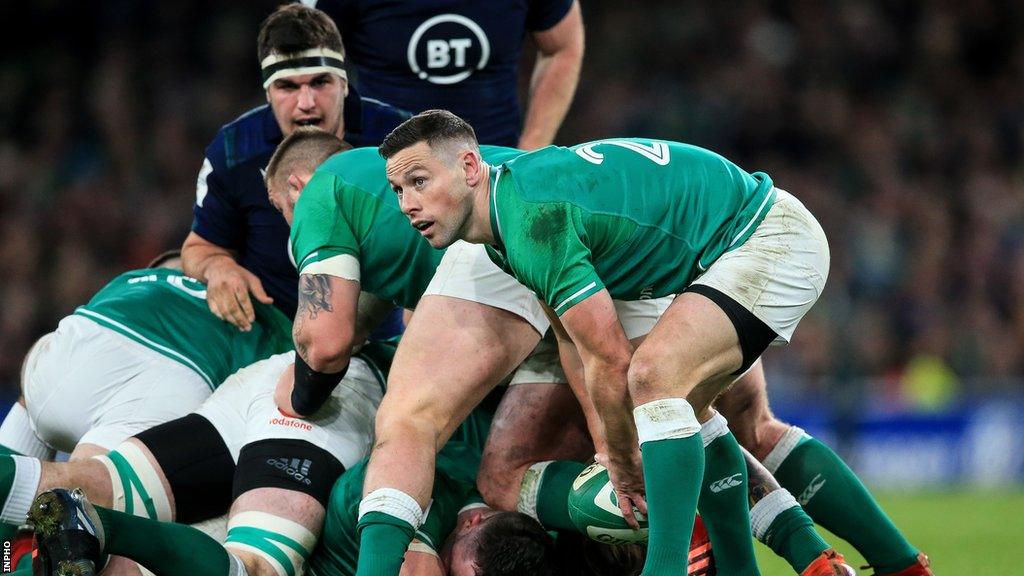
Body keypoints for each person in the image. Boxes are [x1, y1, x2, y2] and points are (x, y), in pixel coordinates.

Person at [375, 110, 931, 576]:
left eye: (420, 182)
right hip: (732, 247)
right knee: (690, 411)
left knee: (654, 379)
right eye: (398, 190)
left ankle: (665, 568)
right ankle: (891, 563)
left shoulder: (530, 219)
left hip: (765, 240)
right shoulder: (509, 221)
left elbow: (610, 359)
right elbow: (574, 342)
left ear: (470, 166)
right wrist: (610, 452)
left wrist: (618, 457)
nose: (407, 204)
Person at [5, 341, 391, 576]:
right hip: (321, 392)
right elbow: (331, 338)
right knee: (255, 570)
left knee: (103, 491)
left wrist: (7, 555)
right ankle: (98, 525)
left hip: (255, 380)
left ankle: (86, 527)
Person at [181, 4, 410, 330]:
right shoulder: (234, 152)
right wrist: (218, 268)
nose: (306, 103)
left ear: (345, 83)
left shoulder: (399, 141)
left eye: (320, 82)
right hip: (268, 335)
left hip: (379, 342)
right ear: (268, 93)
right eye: (288, 86)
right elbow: (200, 248)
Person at [10, 251, 292, 462]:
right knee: (90, 489)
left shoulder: (129, 281)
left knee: (38, 384)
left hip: (72, 362)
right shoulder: (271, 320)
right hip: (178, 376)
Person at [307, 0, 585, 148]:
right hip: (382, 183)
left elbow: (562, 46)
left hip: (496, 175)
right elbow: (303, 67)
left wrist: (530, 152)